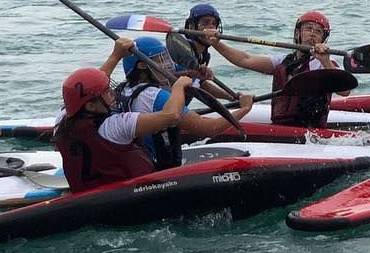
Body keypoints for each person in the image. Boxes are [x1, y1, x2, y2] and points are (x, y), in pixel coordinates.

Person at [100, 37, 254, 168]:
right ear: (142, 65)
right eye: (160, 60)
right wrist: (245, 108)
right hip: (159, 168)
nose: (168, 65)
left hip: (140, 160)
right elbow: (208, 129)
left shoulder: (123, 90)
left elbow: (97, 81)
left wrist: (192, 74)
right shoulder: (157, 96)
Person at [53, 66, 181, 193]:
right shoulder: (117, 125)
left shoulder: (61, 121)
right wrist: (178, 87)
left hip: (88, 200)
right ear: (91, 106)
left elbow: (83, 89)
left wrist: (116, 55)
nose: (113, 94)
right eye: (107, 92)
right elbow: (172, 116)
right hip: (135, 196)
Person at [204, 12, 340, 127]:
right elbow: (244, 60)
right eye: (308, 28)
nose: (313, 34)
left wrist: (325, 60)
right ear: (298, 33)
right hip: (282, 125)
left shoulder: (325, 64)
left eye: (318, 31)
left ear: (323, 38)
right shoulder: (284, 61)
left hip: (311, 129)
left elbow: (345, 91)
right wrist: (216, 44)